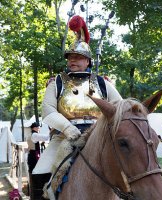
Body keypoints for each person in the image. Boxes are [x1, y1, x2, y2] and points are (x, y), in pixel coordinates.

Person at [33, 15, 122, 198]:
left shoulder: (102, 83)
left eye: (78, 57)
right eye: (70, 57)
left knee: (126, 171)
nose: (73, 60)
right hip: (64, 137)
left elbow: (119, 107)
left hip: (99, 136)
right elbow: (48, 110)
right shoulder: (56, 82)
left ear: (88, 61)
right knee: (39, 173)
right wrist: (67, 127)